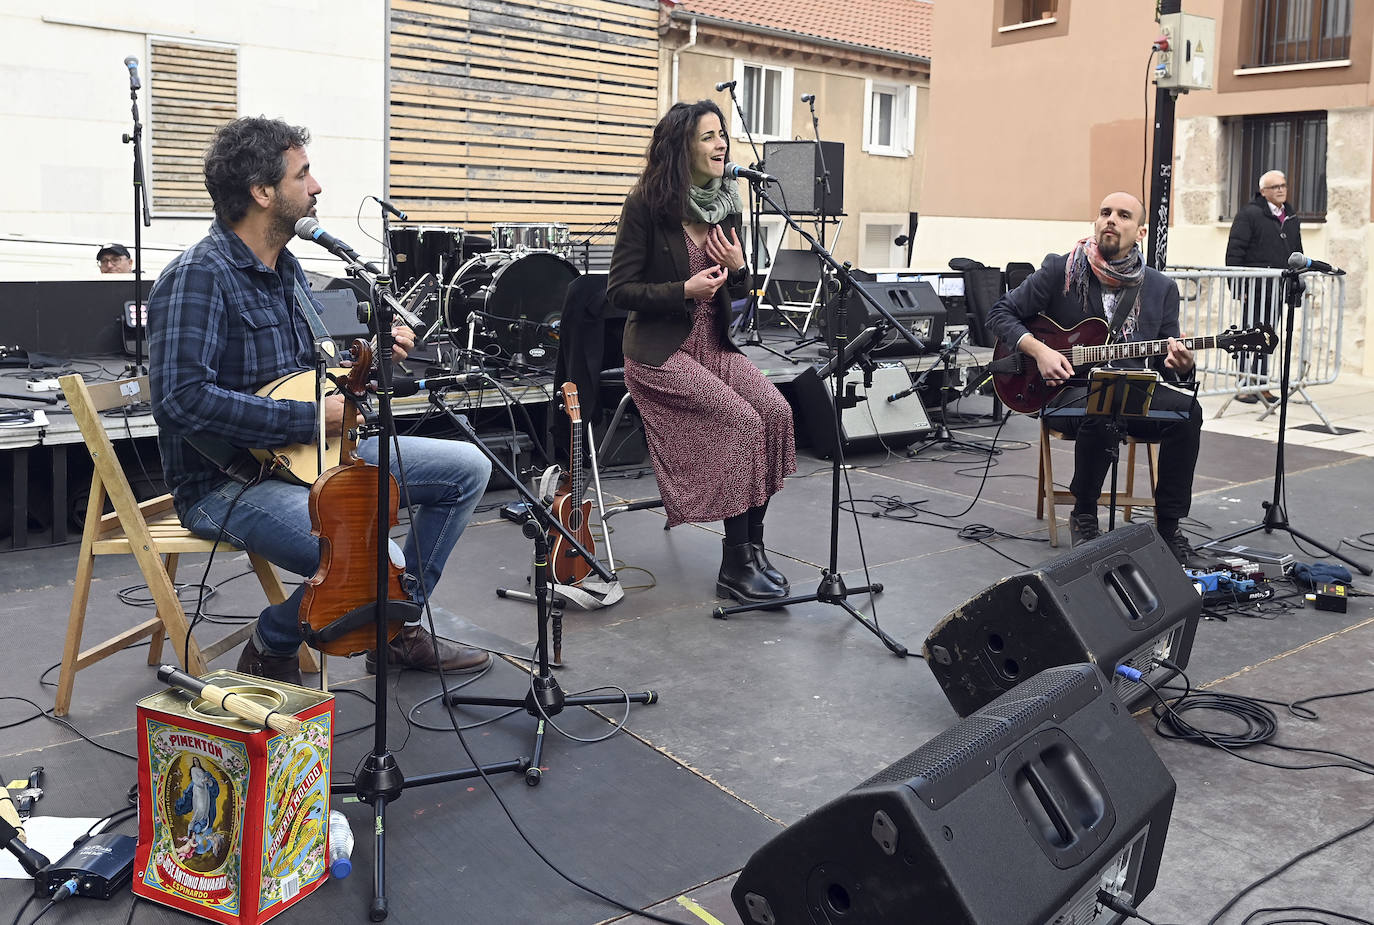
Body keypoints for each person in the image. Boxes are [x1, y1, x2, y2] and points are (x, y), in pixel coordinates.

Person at [147, 116, 492, 684]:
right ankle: (277, 637)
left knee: (469, 469)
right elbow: (180, 401)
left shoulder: (288, 271)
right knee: (383, 561)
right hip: (230, 481)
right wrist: (309, 419)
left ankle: (393, 626)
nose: (317, 186)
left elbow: (313, 375)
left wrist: (369, 365)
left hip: (315, 460)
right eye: (302, 174)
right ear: (262, 193)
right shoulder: (198, 276)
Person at [606, 100, 796, 604]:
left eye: (723, 135)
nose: (722, 145)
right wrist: (681, 290)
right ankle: (735, 564)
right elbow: (619, 290)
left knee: (775, 412)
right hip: (660, 353)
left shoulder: (726, 202)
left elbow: (736, 287)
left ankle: (752, 550)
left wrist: (739, 268)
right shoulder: (646, 204)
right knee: (742, 423)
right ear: (682, 147)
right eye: (710, 136)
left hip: (713, 344)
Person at [986, 191, 1204, 565]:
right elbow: (999, 313)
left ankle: (1169, 527)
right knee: (1103, 410)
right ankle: (1084, 515)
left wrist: (1181, 366)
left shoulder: (1160, 287)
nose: (1111, 220)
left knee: (1188, 413)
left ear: (1140, 231)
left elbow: (1166, 361)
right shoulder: (1061, 271)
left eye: (1122, 215)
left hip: (1133, 389)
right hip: (1066, 392)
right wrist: (1040, 352)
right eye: (1105, 213)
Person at [1225, 169, 1303, 404]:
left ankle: (1261, 383)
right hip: (1255, 287)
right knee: (1249, 334)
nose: (1280, 190)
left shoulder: (1290, 216)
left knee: (1269, 335)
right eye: (1274, 187)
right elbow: (1235, 252)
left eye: (1283, 185)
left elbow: (1297, 252)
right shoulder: (1249, 214)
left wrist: (1295, 287)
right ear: (1263, 192)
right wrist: (1239, 288)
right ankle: (1244, 383)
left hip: (1278, 287)